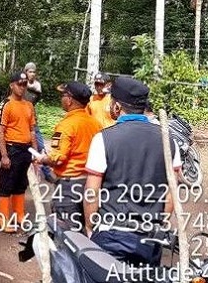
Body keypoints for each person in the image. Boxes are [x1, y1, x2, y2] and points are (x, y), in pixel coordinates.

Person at [84, 77, 181, 266]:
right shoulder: (169, 141)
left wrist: (90, 228)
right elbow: (171, 195)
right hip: (149, 238)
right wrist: (158, 224)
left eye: (111, 102)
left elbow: (91, 193)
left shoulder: (103, 139)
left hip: (111, 234)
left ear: (117, 107)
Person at [32, 81, 101, 231]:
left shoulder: (66, 125)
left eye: (63, 95)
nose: (61, 98)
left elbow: (58, 157)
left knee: (67, 234)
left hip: (69, 186)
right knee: (87, 229)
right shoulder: (95, 124)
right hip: (90, 185)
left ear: (69, 99)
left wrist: (43, 159)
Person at [0, 72, 37, 233]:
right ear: (12, 85)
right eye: (19, 83)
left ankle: (20, 216)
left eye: (25, 84)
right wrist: (4, 155)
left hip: (26, 149)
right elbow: (0, 131)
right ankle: (3, 219)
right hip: (12, 149)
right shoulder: (5, 104)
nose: (22, 87)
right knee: (7, 184)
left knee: (21, 185)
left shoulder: (29, 105)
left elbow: (32, 130)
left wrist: (35, 152)